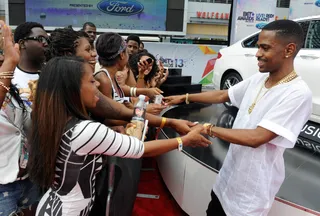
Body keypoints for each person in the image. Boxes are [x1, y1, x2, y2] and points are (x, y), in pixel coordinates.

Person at [28, 56, 211, 216]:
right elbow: (139, 149)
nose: (98, 84)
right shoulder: (86, 130)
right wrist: (184, 140)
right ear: (73, 89)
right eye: (91, 82)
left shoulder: (53, 120)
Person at [164, 20, 313, 216]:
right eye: (258, 47)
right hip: (226, 181)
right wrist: (184, 97)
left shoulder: (297, 94)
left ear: (289, 50)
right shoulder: (260, 78)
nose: (257, 53)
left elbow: (256, 138)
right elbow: (222, 95)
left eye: (264, 48)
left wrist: (207, 129)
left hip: (249, 196)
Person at [0, 20, 40, 216]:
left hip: (27, 179)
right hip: (3, 187)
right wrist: (9, 62)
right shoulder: (7, 74)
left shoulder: (11, 79)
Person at [12, 22, 49, 104]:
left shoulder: (54, 74)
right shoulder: (9, 79)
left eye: (47, 40)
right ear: (22, 44)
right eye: (40, 39)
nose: (46, 44)